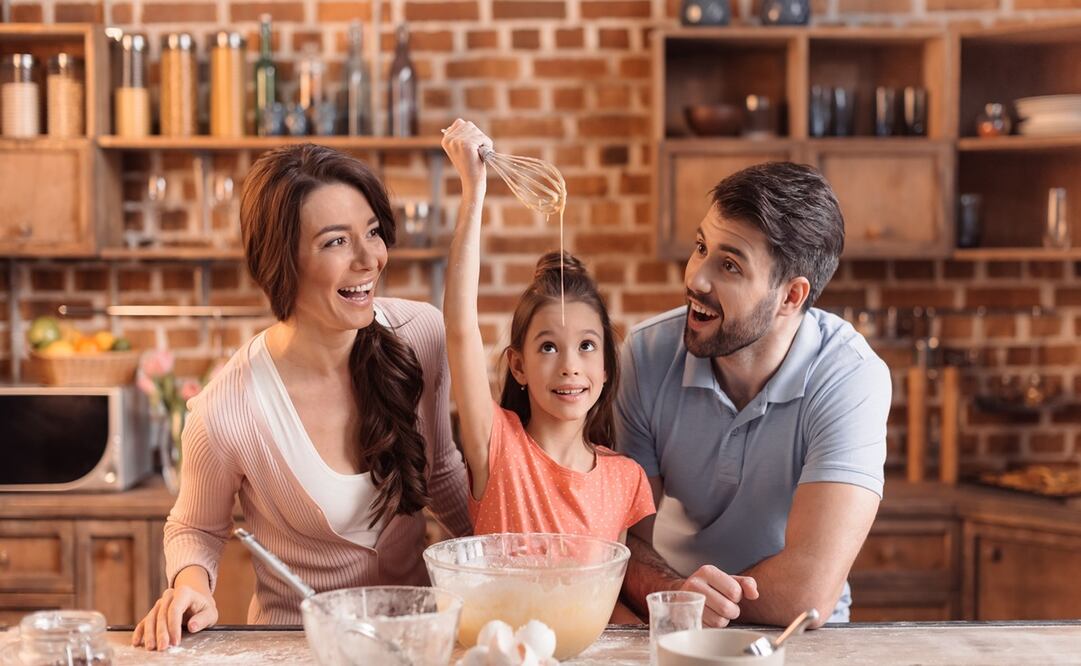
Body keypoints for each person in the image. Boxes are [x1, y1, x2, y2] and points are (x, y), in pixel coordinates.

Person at [132, 144, 472, 650]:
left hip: (414, 642)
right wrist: (190, 587)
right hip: (295, 649)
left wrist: (503, 558)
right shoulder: (227, 410)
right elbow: (196, 527)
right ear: (281, 260)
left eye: (373, 232)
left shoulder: (420, 335)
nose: (369, 259)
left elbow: (442, 473)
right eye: (336, 241)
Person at [616, 162, 890, 628]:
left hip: (795, 639)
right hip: (676, 622)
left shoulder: (850, 378)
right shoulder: (645, 356)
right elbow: (620, 543)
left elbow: (808, 592)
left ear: (791, 296)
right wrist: (678, 595)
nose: (696, 280)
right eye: (700, 247)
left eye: (729, 265)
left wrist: (693, 602)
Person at [440, 119, 654, 561]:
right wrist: (473, 191)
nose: (570, 366)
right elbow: (460, 328)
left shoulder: (627, 478)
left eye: (587, 346)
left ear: (607, 366)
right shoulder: (497, 445)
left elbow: (618, 591)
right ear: (518, 365)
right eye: (548, 347)